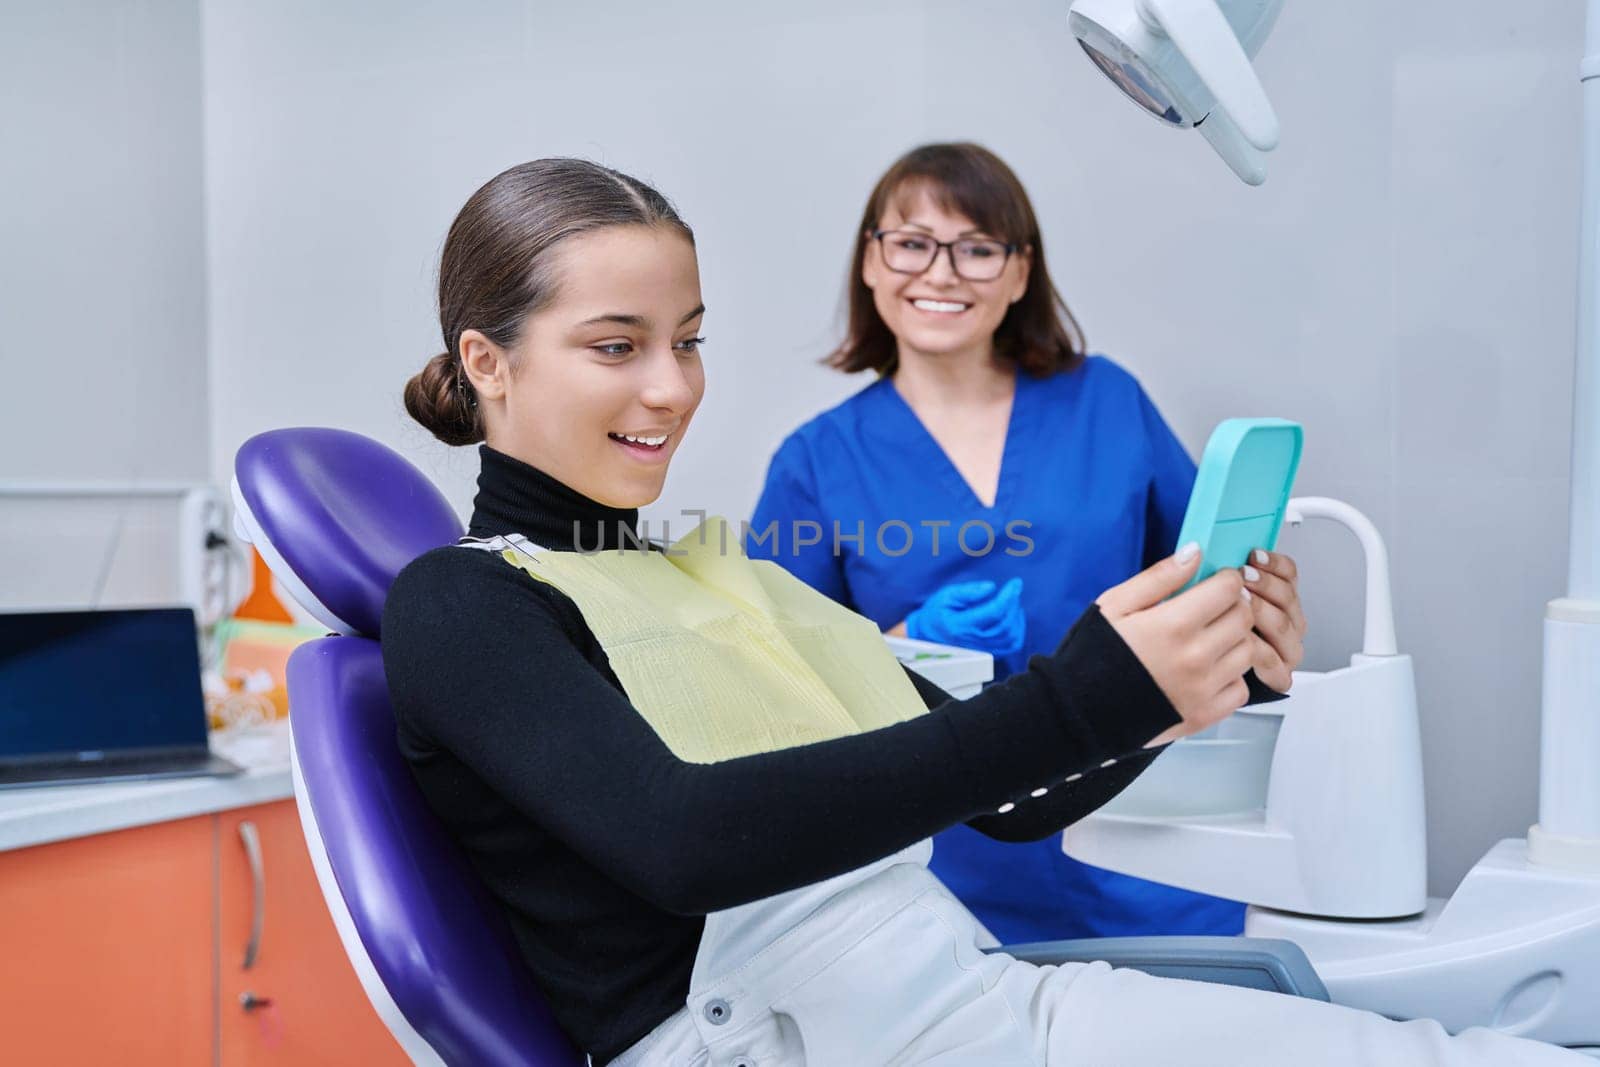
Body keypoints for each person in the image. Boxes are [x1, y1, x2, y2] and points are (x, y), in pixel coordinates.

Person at [381, 159, 1580, 1066]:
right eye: (615, 345)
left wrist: (1187, 685)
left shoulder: (702, 567)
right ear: (487, 361)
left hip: (951, 994)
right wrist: (1085, 693)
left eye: (689, 340)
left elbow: (1012, 800)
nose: (672, 386)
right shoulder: (463, 601)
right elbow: (692, 843)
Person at [749, 142, 1247, 944]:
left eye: (978, 248)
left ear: (1020, 273)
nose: (941, 273)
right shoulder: (815, 460)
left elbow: (1213, 585)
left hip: (1143, 845)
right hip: (940, 869)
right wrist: (903, 646)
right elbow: (770, 699)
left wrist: (1256, 602)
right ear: (870, 263)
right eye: (912, 243)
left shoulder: (1107, 402)